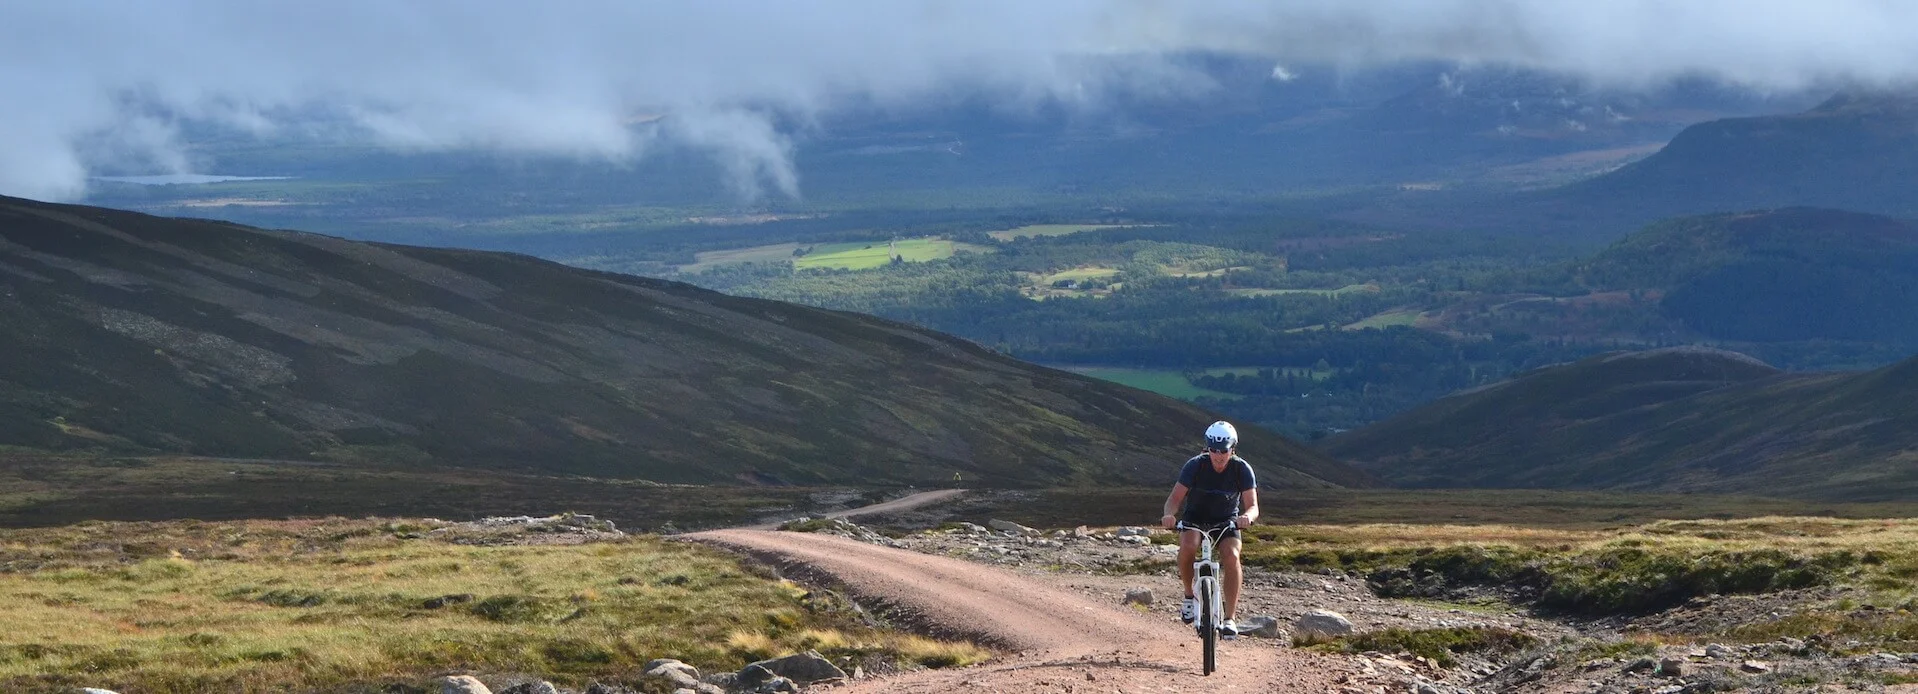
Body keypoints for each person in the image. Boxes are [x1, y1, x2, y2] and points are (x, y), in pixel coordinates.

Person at [1159, 420, 1259, 639]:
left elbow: (1252, 505)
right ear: (1207, 448)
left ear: (1232, 448)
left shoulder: (1241, 469)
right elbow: (1174, 499)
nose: (1218, 455)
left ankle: (1230, 619)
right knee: (1188, 546)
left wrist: (1246, 517)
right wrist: (1169, 515)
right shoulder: (1195, 465)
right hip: (1195, 517)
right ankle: (1188, 595)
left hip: (1226, 520)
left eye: (1223, 450)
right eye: (1213, 449)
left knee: (1232, 556)